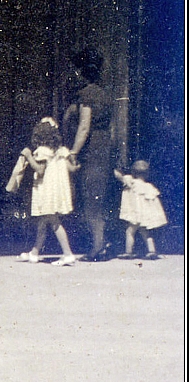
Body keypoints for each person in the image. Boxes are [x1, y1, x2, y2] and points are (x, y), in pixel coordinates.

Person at [63, 49, 115, 261]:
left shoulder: (86, 95)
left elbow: (84, 127)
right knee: (98, 196)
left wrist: (74, 151)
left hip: (91, 150)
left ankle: (98, 246)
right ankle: (101, 242)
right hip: (103, 149)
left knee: (91, 197)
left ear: (82, 72)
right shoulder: (105, 94)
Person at [8, 117, 79, 266]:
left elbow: (40, 170)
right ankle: (34, 252)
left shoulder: (41, 151)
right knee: (43, 221)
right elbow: (72, 169)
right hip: (57, 192)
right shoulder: (61, 151)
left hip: (47, 191)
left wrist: (28, 156)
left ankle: (68, 254)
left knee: (53, 221)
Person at [114, 161, 168, 260]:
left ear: (133, 172)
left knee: (130, 232)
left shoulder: (131, 182)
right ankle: (152, 251)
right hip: (144, 215)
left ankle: (128, 252)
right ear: (147, 174)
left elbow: (119, 176)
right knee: (146, 233)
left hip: (135, 214)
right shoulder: (149, 187)